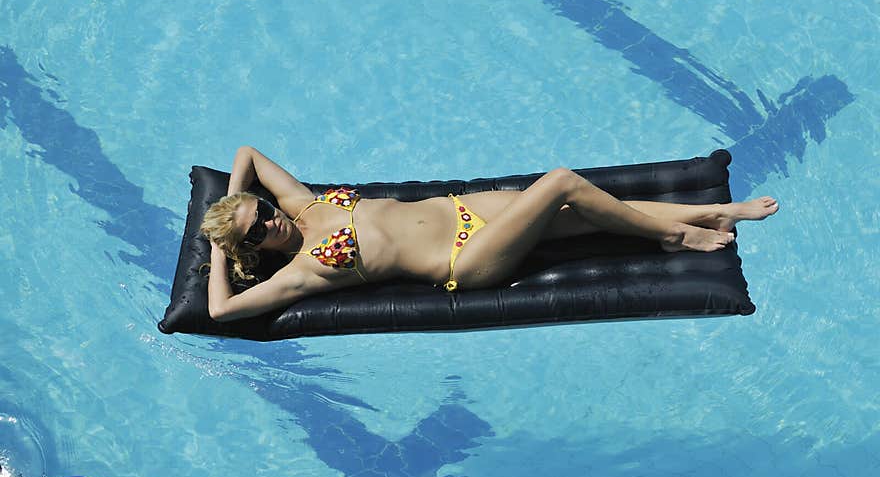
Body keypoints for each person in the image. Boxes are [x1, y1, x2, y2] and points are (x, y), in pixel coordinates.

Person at [200, 146, 779, 322]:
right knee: (560, 185)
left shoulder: (300, 205)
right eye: (257, 232)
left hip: (467, 211)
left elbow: (247, 153)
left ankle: (708, 213)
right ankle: (677, 238)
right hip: (466, 259)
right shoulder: (302, 272)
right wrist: (219, 251)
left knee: (589, 209)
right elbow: (222, 311)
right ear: (251, 249)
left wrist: (228, 205)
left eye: (260, 210)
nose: (269, 221)